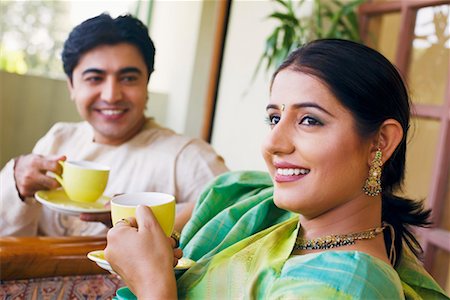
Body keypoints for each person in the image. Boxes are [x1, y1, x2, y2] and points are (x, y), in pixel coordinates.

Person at [104, 39, 449, 299]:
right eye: (274, 118)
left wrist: (152, 282)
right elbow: (231, 190)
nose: (272, 143)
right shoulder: (284, 218)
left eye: (310, 120)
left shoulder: (346, 286)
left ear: (381, 142)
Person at [0, 13, 228, 237]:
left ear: (147, 82)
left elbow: (236, 214)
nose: (111, 96)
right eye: (94, 78)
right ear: (71, 86)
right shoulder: (58, 139)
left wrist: (158, 224)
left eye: (128, 78)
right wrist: (16, 185)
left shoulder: (188, 157)